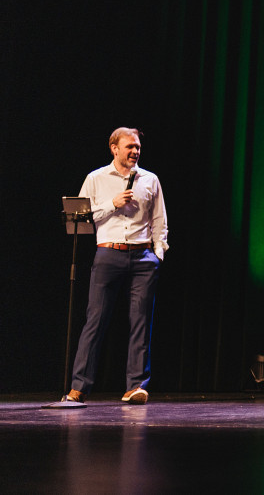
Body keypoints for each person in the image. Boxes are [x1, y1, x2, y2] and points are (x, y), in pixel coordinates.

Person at [64, 127, 169, 405]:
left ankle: (136, 386)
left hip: (143, 257)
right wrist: (112, 203)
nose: (135, 151)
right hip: (109, 254)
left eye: (138, 147)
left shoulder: (150, 179)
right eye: (129, 147)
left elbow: (159, 220)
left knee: (141, 323)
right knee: (95, 321)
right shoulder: (96, 178)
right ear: (114, 148)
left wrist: (157, 254)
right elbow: (81, 216)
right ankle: (79, 387)